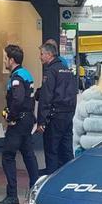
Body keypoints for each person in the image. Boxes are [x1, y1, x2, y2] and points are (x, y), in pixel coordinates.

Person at [0, 44, 40, 204]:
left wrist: (11, 116)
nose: (4, 61)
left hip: (19, 122)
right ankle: (36, 190)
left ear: (11, 60)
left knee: (8, 156)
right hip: (27, 120)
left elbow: (18, 99)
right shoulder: (26, 73)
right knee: (28, 154)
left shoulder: (16, 77)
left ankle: (12, 196)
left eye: (5, 58)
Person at [37, 42, 78, 172]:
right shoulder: (67, 70)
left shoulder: (51, 71)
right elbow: (73, 92)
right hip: (67, 114)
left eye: (42, 54)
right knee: (66, 148)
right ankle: (69, 174)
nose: (40, 57)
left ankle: (51, 176)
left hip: (55, 116)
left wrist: (41, 120)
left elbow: (46, 96)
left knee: (51, 148)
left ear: (49, 55)